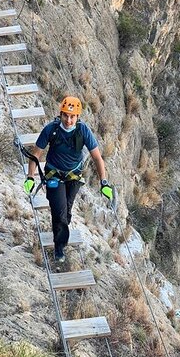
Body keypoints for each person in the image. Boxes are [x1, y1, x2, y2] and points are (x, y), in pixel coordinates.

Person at [23, 96, 112, 263]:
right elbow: (35, 154)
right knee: (60, 211)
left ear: (78, 117)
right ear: (61, 114)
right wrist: (30, 177)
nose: (69, 120)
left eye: (72, 117)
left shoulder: (83, 130)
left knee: (67, 212)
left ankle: (60, 229)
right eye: (65, 116)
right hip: (53, 174)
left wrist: (104, 182)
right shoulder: (51, 129)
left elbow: (97, 158)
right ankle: (59, 247)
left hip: (73, 176)